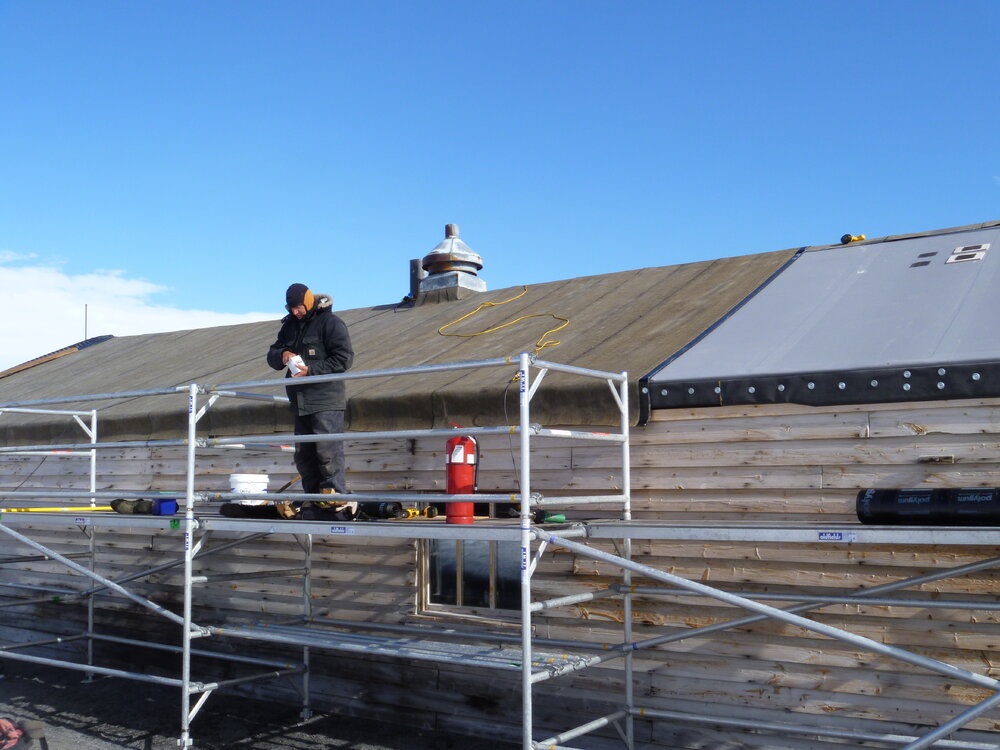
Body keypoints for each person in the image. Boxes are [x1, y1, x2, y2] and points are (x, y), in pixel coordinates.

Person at [266, 283, 355, 520]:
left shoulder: (331, 323)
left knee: (327, 451)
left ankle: (334, 500)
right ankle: (314, 500)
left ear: (308, 301)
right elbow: (272, 354)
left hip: (325, 398)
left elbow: (344, 359)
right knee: (304, 455)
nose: (295, 312)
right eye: (291, 308)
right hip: (300, 399)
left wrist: (311, 370)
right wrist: (283, 354)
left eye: (298, 307)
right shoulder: (289, 326)